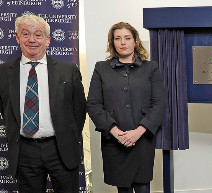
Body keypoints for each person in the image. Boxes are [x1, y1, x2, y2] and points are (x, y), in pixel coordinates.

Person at [0, 14, 86, 193]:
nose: (32, 39)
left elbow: (79, 109)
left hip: (61, 148)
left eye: (38, 35)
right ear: (17, 37)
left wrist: (67, 135)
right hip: (25, 150)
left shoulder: (68, 70)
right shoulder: (3, 72)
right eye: (25, 34)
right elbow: (5, 109)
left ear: (48, 40)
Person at [87, 22, 166, 193]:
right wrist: (115, 131)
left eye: (127, 38)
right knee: (123, 188)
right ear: (112, 42)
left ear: (135, 41)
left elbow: (159, 104)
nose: (123, 42)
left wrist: (139, 131)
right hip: (115, 140)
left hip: (143, 139)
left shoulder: (150, 68)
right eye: (118, 38)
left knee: (143, 186)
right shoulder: (101, 68)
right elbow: (93, 104)